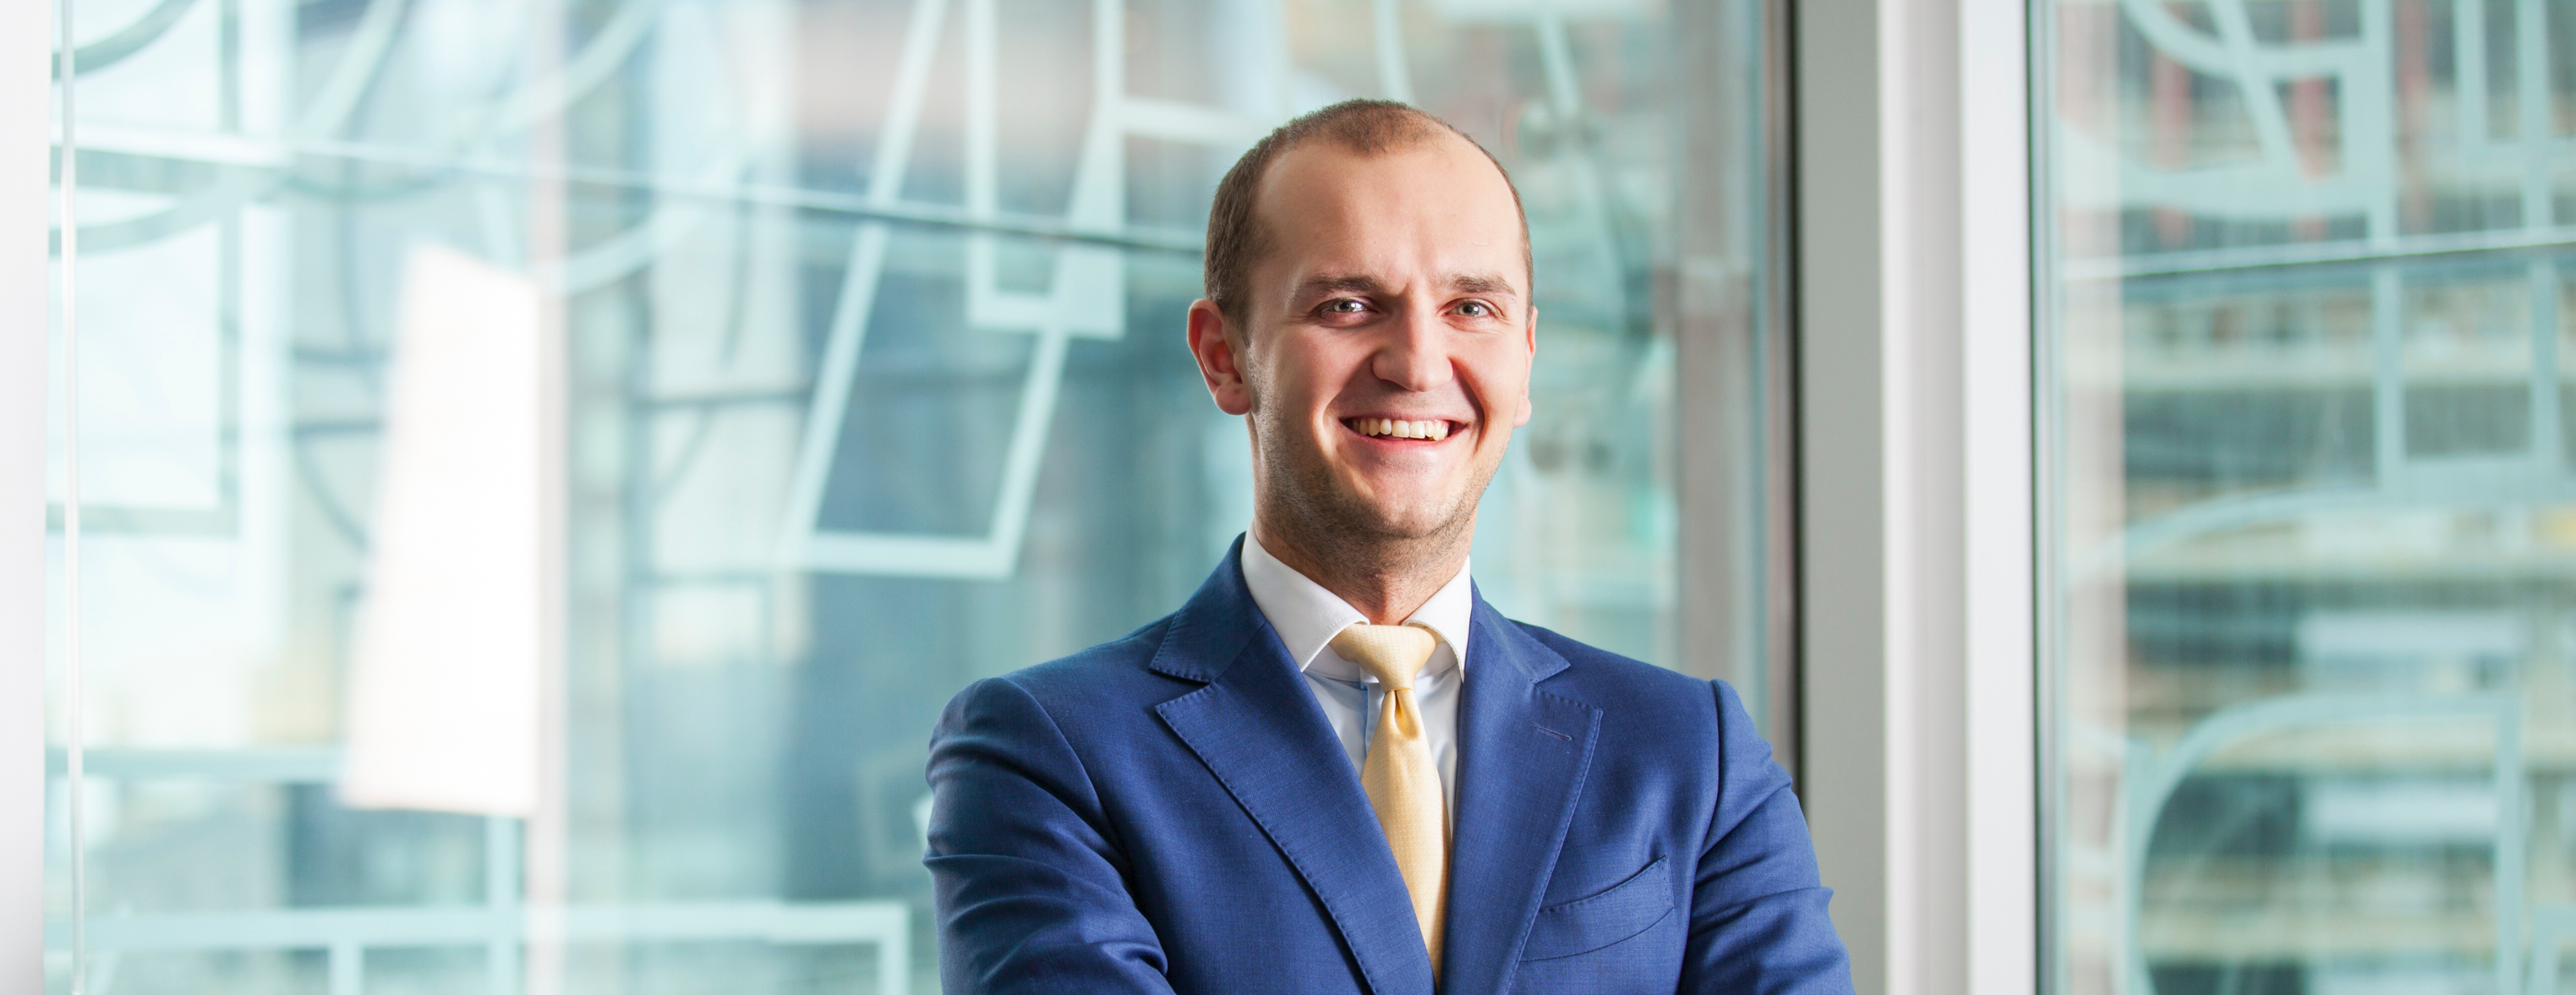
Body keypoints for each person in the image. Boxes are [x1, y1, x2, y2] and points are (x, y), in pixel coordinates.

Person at [924, 99, 1851, 995]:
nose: (1416, 363)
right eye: (1347, 304)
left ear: (1526, 356)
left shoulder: (1692, 755)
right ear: (1223, 355)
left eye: (1471, 308)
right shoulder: (1045, 756)